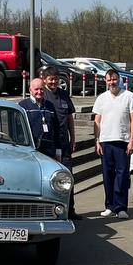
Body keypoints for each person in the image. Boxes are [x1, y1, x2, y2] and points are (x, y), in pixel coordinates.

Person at [91, 67, 133, 218]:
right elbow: (97, 121)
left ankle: (120, 207)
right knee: (107, 175)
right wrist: (97, 141)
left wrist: (132, 140)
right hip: (105, 141)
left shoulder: (129, 96)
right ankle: (109, 206)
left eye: (114, 79)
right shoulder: (102, 98)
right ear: (105, 81)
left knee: (122, 175)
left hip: (122, 141)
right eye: (109, 80)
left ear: (119, 80)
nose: (112, 82)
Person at [41, 66, 78, 218]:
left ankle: (70, 210)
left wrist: (73, 138)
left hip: (64, 144)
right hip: (49, 145)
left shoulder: (63, 94)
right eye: (51, 79)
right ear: (44, 80)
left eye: (56, 79)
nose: (54, 82)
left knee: (68, 176)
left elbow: (69, 118)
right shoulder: (42, 95)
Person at [19, 77, 60, 155]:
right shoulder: (23, 106)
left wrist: (58, 151)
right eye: (36, 89)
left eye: (41, 89)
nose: (39, 92)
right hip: (30, 150)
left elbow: (56, 129)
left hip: (49, 150)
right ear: (30, 90)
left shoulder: (50, 105)